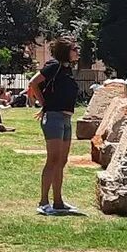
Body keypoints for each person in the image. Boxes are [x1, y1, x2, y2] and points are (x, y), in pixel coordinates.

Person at [29, 38, 82, 215]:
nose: (78, 51)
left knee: (62, 160)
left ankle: (58, 202)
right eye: (75, 48)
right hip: (54, 117)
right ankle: (43, 202)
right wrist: (44, 104)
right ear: (66, 50)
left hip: (66, 119)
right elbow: (33, 83)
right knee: (52, 160)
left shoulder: (67, 69)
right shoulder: (54, 65)